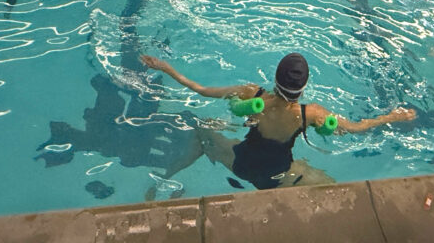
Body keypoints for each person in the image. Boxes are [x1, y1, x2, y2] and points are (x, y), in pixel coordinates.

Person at [139, 52, 415, 190]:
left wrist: (166, 67)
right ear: (303, 88)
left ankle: (162, 181)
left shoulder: (252, 94)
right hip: (277, 178)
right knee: (330, 185)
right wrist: (392, 116)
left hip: (241, 165)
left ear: (275, 78)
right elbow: (356, 128)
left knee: (202, 132)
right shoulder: (310, 114)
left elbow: (200, 89)